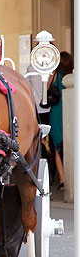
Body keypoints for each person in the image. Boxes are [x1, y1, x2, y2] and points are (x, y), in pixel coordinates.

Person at [47, 51, 74, 190]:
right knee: (73, 144)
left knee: (58, 147)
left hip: (56, 112)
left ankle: (63, 180)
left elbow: (47, 90)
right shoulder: (74, 75)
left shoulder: (55, 75)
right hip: (71, 110)